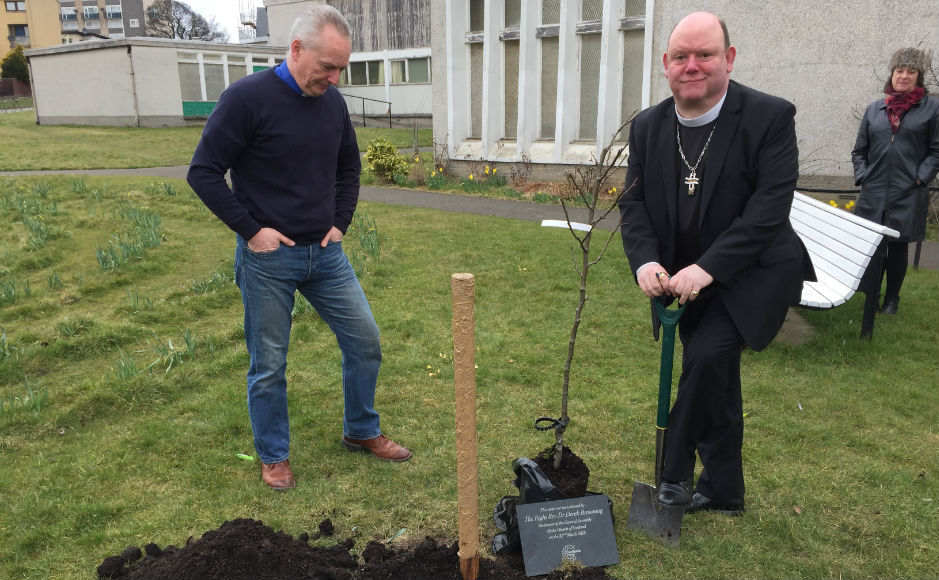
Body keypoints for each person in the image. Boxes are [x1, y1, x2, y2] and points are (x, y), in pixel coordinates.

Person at [187, 5, 411, 491]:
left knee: (365, 341)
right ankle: (273, 456)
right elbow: (203, 172)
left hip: (326, 255)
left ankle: (361, 431)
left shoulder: (332, 103)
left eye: (340, 70)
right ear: (295, 49)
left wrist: (340, 223)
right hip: (269, 259)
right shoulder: (246, 99)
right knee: (269, 363)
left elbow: (348, 169)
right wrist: (251, 230)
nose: (332, 78)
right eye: (326, 66)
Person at [618, 11, 814, 515]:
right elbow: (634, 204)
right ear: (665, 64)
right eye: (681, 56)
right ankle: (725, 490)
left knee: (705, 357)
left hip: (757, 272)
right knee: (718, 377)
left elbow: (769, 210)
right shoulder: (647, 126)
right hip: (683, 279)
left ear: (727, 59)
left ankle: (674, 471)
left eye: (704, 54)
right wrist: (644, 261)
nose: (692, 65)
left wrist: (707, 268)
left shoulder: (769, 117)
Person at [851, 48, 939, 315]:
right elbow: (859, 151)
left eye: (910, 72)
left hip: (907, 191)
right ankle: (872, 295)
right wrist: (863, 175)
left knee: (898, 249)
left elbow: (936, 151)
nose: (904, 76)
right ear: (892, 74)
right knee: (873, 246)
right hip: (874, 191)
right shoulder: (874, 109)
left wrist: (921, 179)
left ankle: (892, 300)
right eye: (899, 71)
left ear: (918, 77)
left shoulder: (932, 109)